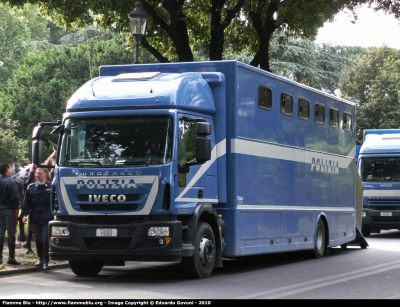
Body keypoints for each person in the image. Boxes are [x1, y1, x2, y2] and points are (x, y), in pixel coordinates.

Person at [21, 167, 54, 269]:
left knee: (45, 237)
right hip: (35, 216)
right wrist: (24, 215)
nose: (36, 175)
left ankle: (45, 261)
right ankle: (40, 258)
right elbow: (26, 203)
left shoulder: (51, 186)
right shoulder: (31, 188)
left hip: (47, 216)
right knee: (38, 238)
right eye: (36, 174)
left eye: (39, 173)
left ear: (45, 174)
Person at [0, 163, 21, 265]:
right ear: (7, 170)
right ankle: (11, 258)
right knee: (11, 233)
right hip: (9, 209)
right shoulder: (11, 182)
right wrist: (17, 205)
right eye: (10, 168)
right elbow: (15, 197)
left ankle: (0, 258)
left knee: (1, 233)